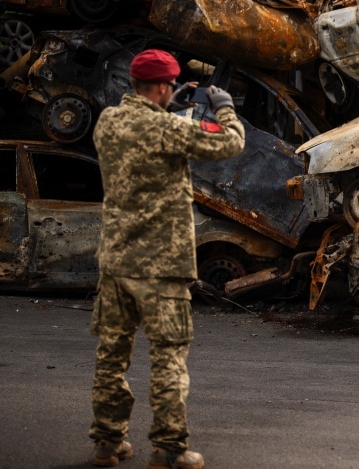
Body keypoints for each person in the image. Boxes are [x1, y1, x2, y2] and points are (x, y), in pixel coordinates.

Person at [88, 50, 245, 469]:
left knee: (112, 355)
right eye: (170, 86)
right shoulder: (169, 128)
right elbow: (230, 142)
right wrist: (223, 106)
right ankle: (169, 449)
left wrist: (174, 111)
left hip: (117, 261)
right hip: (161, 265)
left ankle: (107, 442)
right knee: (168, 357)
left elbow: (147, 131)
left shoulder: (108, 122)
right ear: (162, 87)